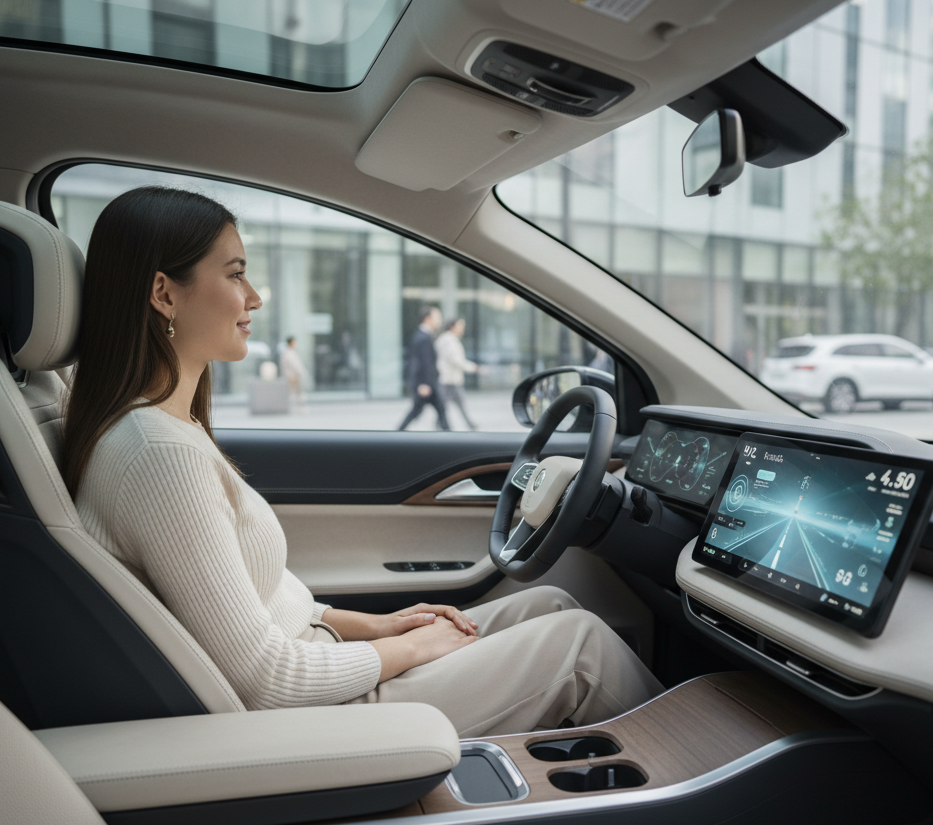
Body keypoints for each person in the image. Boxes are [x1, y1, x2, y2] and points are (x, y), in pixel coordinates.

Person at [62, 187, 661, 737]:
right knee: (580, 644)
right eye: (236, 274)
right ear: (164, 293)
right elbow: (266, 681)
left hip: (319, 672)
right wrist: (414, 650)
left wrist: (383, 625)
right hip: (315, 719)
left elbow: (268, 608)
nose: (254, 297)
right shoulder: (158, 456)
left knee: (552, 605)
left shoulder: (165, 430)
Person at [398, 305, 450, 431]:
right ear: (427, 319)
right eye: (437, 317)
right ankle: (397, 432)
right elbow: (423, 362)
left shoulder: (423, 335)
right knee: (421, 410)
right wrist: (424, 384)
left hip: (427, 383)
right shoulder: (423, 338)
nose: (439, 320)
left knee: (439, 409)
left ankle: (449, 434)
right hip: (426, 384)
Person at [435, 317, 482, 431]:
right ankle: (445, 425)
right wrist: (473, 368)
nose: (462, 329)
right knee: (451, 404)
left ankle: (443, 424)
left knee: (451, 404)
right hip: (448, 379)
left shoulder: (447, 339)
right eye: (460, 326)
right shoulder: (448, 340)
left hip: (449, 379)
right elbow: (456, 360)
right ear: (453, 327)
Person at [279, 336, 307, 406]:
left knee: (296, 392)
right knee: (295, 392)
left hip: (293, 375)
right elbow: (294, 366)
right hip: (292, 375)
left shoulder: (290, 352)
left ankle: (298, 406)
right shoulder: (288, 353)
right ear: (291, 342)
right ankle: (296, 406)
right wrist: (300, 373)